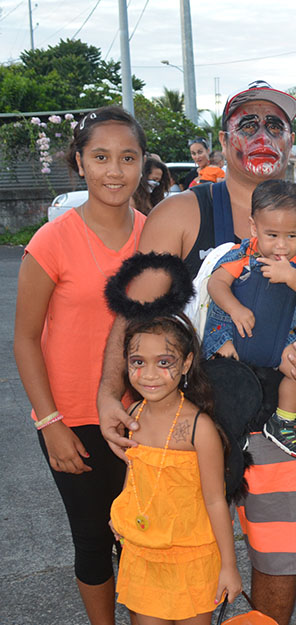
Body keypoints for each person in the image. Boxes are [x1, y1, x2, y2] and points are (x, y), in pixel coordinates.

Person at [97, 79, 296, 625]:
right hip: (186, 420)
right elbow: (135, 313)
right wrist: (107, 391)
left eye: (274, 125)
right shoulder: (184, 213)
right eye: (248, 124)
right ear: (226, 136)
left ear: (291, 139)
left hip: (281, 419)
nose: (261, 136)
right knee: (182, 556)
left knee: (277, 561)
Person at [13, 106, 147, 625]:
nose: (114, 171)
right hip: (74, 419)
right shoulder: (52, 241)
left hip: (145, 415)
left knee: (144, 539)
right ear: (79, 162)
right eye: (101, 157)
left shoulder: (156, 234)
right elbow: (25, 339)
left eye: (127, 158)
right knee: (94, 540)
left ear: (142, 166)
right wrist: (51, 425)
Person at [110, 313, 242, 623]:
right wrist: (121, 513)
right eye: (138, 362)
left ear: (185, 364)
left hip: (192, 557)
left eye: (164, 362)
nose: (149, 374)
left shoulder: (200, 429)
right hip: (143, 553)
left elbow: (215, 500)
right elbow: (134, 474)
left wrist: (229, 566)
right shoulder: (132, 414)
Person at [204, 180, 296, 460]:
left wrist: (292, 276)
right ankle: (230, 428)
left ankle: (282, 420)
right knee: (228, 377)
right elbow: (216, 284)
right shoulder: (242, 256)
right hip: (231, 331)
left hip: (277, 335)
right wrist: (235, 308)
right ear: (254, 228)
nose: (282, 245)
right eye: (272, 235)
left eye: (292, 236)